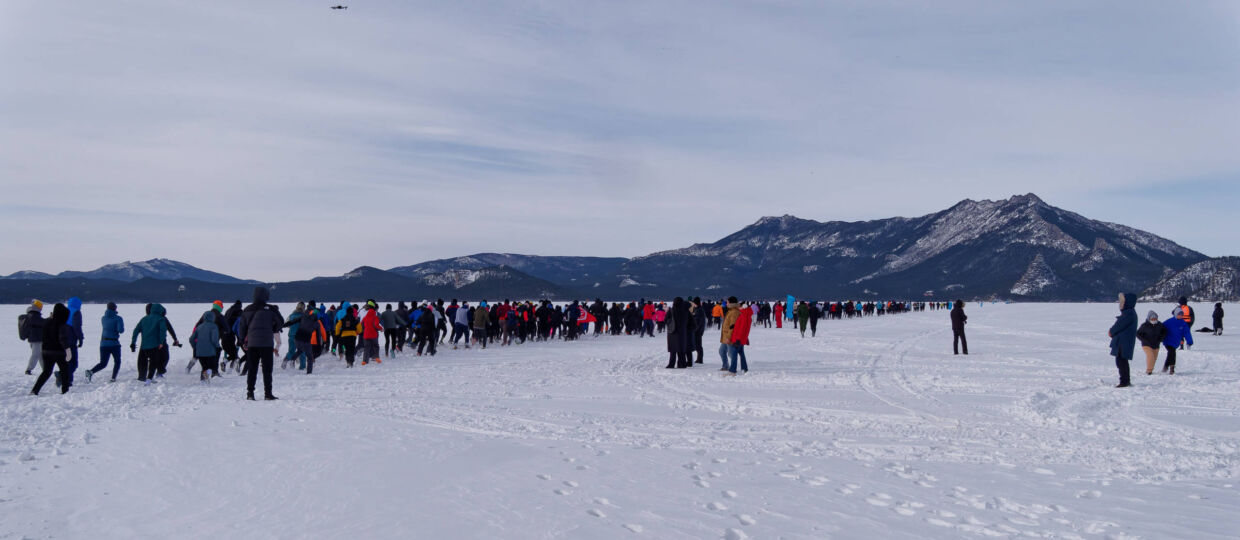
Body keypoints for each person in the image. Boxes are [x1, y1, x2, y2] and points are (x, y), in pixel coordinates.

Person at [238, 286, 285, 400]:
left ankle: (250, 393)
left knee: (252, 369)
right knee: (267, 370)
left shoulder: (247, 309)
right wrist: (274, 328)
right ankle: (268, 394)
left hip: (252, 343)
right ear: (266, 295)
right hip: (267, 344)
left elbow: (242, 327)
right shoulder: (271, 309)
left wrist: (242, 340)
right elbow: (281, 322)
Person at [31, 303, 75, 396]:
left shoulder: (47, 322)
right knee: (64, 370)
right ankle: (65, 390)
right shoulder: (61, 324)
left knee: (46, 372)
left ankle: (35, 390)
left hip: (46, 351)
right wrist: (68, 350)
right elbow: (62, 338)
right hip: (58, 352)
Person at [130, 304, 178, 385]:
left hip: (144, 346)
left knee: (142, 361)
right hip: (156, 346)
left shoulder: (144, 319)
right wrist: (162, 342)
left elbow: (136, 331)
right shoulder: (161, 319)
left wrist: (133, 343)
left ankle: (141, 377)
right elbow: (164, 331)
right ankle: (151, 378)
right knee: (155, 361)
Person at [86, 302, 124, 382]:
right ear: (115, 308)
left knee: (103, 363)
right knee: (117, 361)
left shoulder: (103, 318)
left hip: (103, 344)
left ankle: (91, 372)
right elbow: (121, 330)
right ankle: (113, 378)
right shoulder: (118, 318)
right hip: (114, 344)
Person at [1107, 292, 1139, 388]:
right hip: (1123, 342)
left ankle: (1124, 381)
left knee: (1121, 361)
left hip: (1123, 343)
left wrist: (1111, 332)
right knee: (1122, 361)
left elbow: (1118, 326)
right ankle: (1125, 380)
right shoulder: (1130, 313)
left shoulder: (1128, 313)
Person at [189, 309, 222, 382]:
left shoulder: (199, 327)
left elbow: (191, 339)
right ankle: (205, 377)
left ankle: (203, 380)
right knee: (211, 367)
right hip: (210, 352)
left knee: (204, 367)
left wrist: (195, 346)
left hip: (200, 352)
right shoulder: (214, 326)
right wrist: (218, 347)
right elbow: (214, 339)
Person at [1162, 307, 1193, 375]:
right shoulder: (1169, 321)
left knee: (1170, 354)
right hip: (1167, 341)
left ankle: (1165, 366)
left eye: (1182, 314)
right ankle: (1172, 369)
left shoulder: (1183, 323)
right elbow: (1160, 328)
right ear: (1176, 314)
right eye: (1179, 314)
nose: (1181, 316)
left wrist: (1189, 342)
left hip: (1175, 342)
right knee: (1172, 352)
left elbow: (1187, 333)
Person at [664, 297, 692, 369]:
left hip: (672, 332)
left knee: (673, 350)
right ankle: (682, 364)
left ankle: (671, 364)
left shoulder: (671, 310)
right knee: (681, 349)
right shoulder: (686, 311)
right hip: (682, 332)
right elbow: (691, 323)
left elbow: (665, 320)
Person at [726, 301, 752, 376]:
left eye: (739, 306)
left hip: (738, 339)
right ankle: (744, 368)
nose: (738, 308)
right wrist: (734, 326)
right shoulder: (747, 315)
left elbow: (742, 329)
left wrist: (737, 339)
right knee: (741, 353)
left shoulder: (743, 316)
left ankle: (732, 370)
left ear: (742, 307)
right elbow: (742, 326)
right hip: (742, 339)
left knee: (734, 354)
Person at [1136, 311, 1166, 376]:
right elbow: (1138, 333)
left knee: (1154, 358)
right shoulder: (1144, 325)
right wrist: (1144, 340)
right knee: (1150, 356)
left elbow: (1164, 332)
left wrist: (1161, 339)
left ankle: (1151, 369)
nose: (1154, 320)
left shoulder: (1160, 325)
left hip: (1156, 344)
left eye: (1155, 319)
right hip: (1146, 345)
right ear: (1149, 318)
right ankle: (1149, 371)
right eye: (1152, 319)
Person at [21, 300, 45, 375]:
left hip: (34, 338)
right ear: (38, 307)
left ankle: (45, 369)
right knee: (36, 354)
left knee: (40, 354)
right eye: (41, 307)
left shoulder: (31, 315)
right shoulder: (34, 315)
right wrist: (50, 319)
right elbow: (41, 322)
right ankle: (28, 369)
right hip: (36, 339)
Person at [718, 297, 741, 371]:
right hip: (726, 336)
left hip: (729, 337)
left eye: (727, 302)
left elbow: (733, 326)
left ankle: (733, 368)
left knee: (731, 354)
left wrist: (728, 337)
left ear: (731, 303)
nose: (726, 303)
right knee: (722, 351)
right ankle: (725, 366)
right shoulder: (730, 311)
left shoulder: (734, 312)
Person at [360, 299, 383, 365]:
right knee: (376, 346)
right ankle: (377, 358)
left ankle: (364, 361)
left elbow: (361, 325)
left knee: (366, 348)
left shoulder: (365, 317)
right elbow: (376, 325)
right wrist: (381, 329)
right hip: (373, 335)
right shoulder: (375, 317)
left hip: (366, 335)